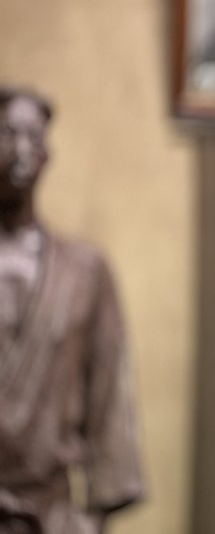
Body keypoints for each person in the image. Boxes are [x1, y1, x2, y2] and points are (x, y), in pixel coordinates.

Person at [0, 89, 143, 533]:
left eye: (34, 136)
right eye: (7, 133)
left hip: (53, 515)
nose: (22, 149)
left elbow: (108, 398)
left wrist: (94, 518)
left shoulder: (83, 271)